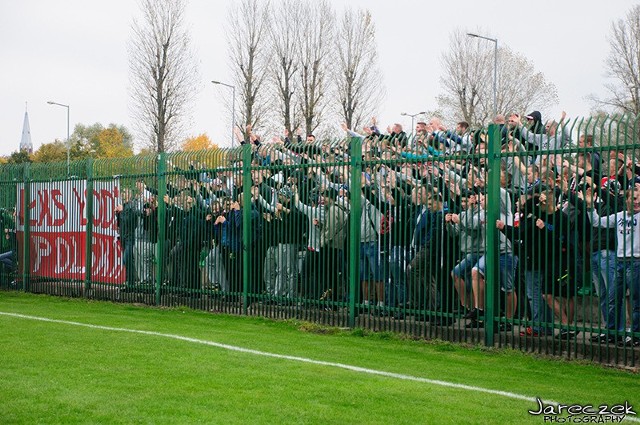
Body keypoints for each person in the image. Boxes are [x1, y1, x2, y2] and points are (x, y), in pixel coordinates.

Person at [582, 181, 640, 347]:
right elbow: (596, 222)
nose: (636, 202)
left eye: (639, 199)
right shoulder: (620, 216)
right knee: (613, 298)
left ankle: (636, 334)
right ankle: (613, 332)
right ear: (626, 199)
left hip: (635, 261)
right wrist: (589, 206)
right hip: (621, 261)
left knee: (636, 301)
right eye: (634, 199)